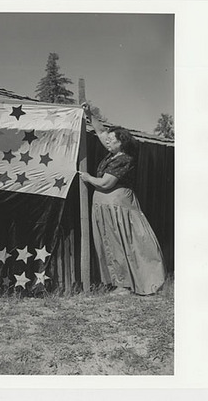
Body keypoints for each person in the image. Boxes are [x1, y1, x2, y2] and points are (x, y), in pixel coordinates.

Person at [79, 104, 165, 295]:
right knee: (109, 243)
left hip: (117, 207)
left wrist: (87, 178)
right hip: (106, 206)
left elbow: (105, 184)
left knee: (121, 243)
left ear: (121, 143)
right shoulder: (113, 154)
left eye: (111, 140)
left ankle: (125, 285)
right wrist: (89, 114)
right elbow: (101, 131)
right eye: (107, 140)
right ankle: (118, 283)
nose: (107, 141)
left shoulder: (124, 159)